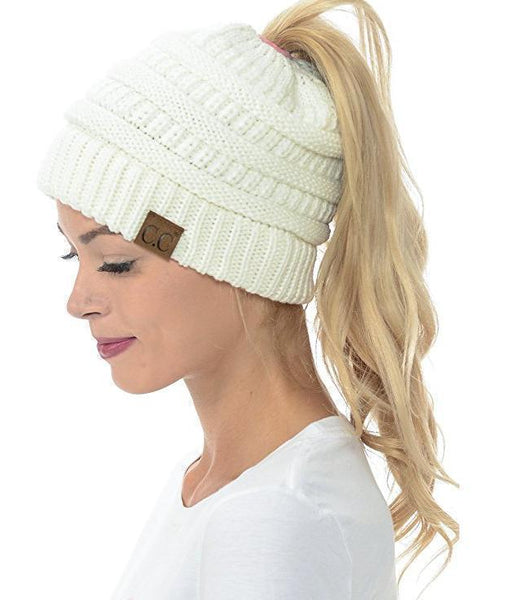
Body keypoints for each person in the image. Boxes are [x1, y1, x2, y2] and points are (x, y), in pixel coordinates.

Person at [36, 0, 459, 598]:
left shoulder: (272, 515)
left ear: (237, 257)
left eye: (117, 262)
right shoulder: (224, 485)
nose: (78, 302)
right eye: (71, 255)